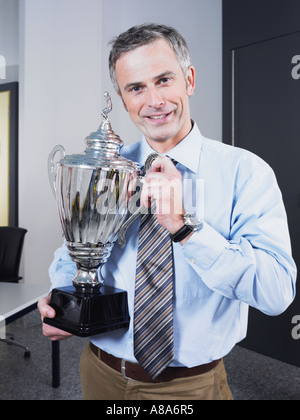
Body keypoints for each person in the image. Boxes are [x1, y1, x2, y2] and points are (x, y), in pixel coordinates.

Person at [38, 23, 297, 400]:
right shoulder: (106, 167)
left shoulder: (246, 173)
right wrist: (61, 296)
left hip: (190, 388)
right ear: (124, 100)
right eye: (136, 88)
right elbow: (73, 250)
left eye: (164, 80)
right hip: (100, 372)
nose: (154, 100)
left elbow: (276, 292)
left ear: (189, 80)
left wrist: (184, 227)